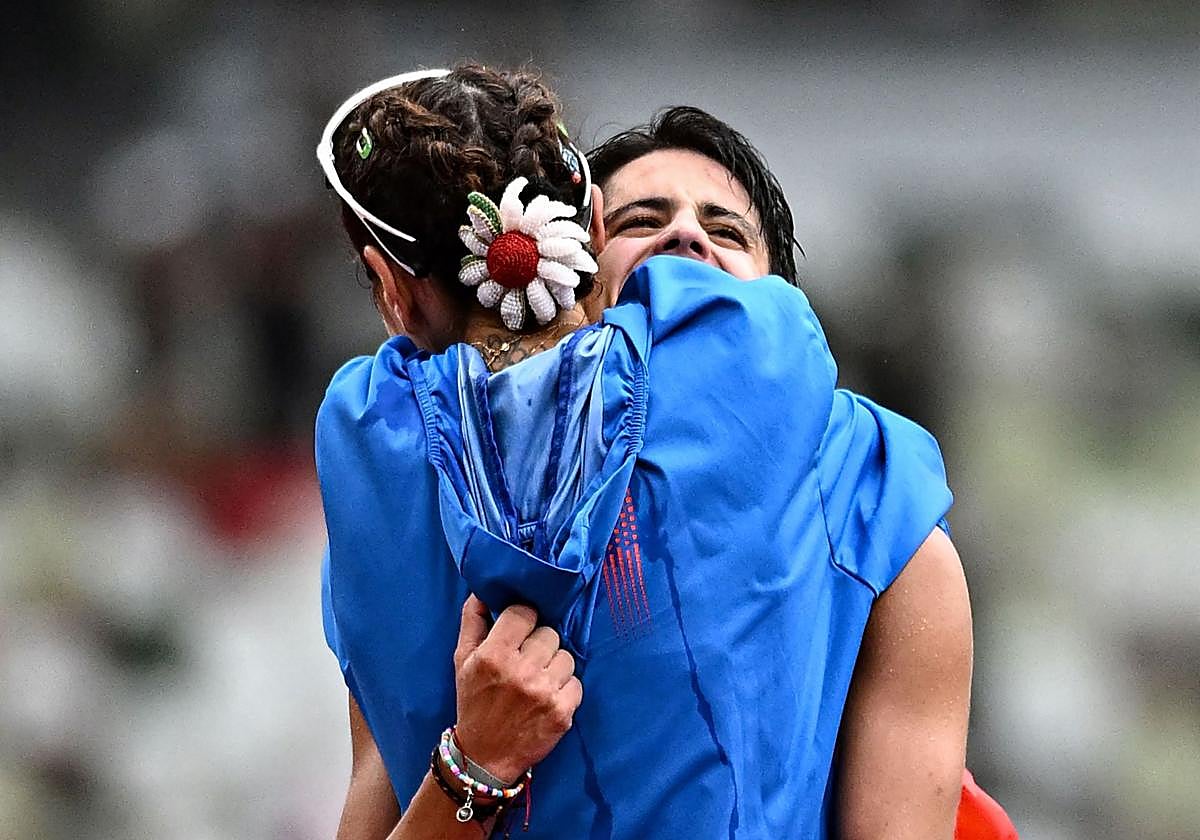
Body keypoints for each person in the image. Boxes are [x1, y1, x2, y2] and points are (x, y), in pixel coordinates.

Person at [316, 63, 982, 838]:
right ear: (591, 245)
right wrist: (474, 763)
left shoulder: (875, 506)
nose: (685, 237)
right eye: (645, 219)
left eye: (726, 230)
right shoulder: (393, 515)